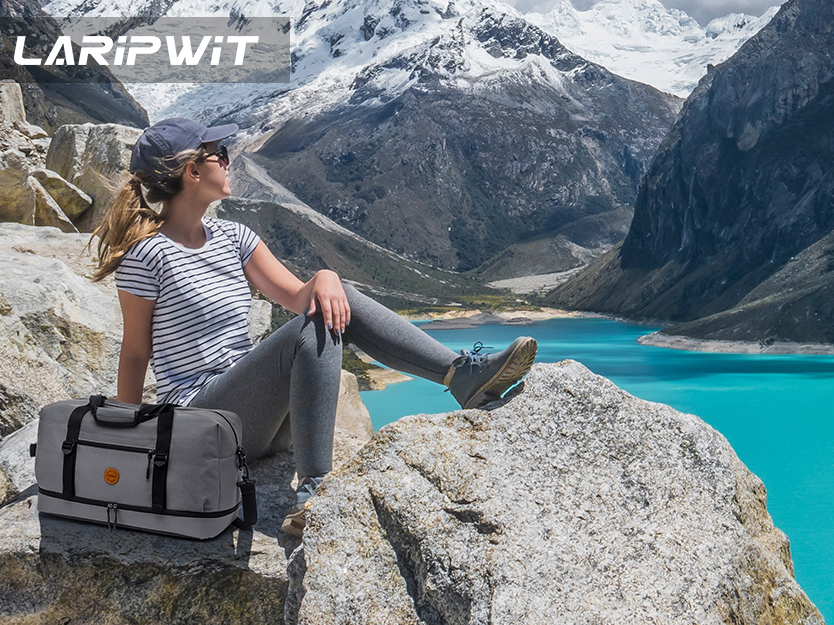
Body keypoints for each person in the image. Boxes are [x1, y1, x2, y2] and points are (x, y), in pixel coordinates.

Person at [89, 118, 538, 538]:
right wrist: (128, 445)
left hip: (259, 420)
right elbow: (135, 353)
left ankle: (460, 374)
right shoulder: (148, 256)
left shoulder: (234, 238)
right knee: (315, 324)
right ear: (191, 171)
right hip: (200, 423)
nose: (227, 159)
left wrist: (325, 276)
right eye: (218, 153)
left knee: (336, 296)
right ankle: (314, 488)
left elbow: (298, 297)